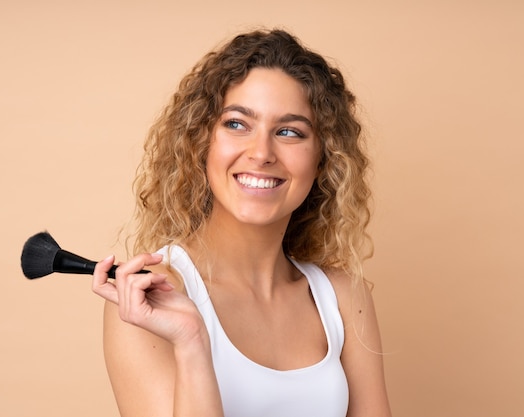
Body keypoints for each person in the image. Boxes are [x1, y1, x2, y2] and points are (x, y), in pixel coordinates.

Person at [92, 28, 392, 417]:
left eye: (289, 132)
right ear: (202, 141)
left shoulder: (343, 299)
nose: (262, 153)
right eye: (237, 124)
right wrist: (192, 341)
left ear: (323, 160)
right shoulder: (149, 298)